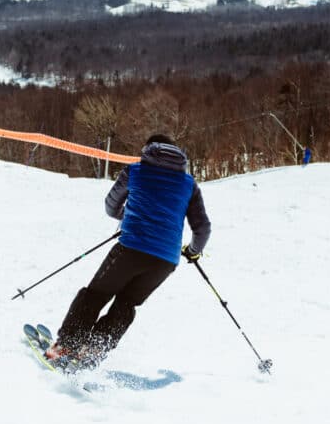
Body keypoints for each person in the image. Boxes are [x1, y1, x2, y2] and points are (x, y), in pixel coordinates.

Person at [46, 134, 211, 369]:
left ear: (148, 150)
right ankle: (92, 352)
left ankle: (67, 346)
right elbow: (202, 228)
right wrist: (194, 251)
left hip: (131, 248)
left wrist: (129, 217)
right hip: (165, 261)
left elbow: (110, 206)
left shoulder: (135, 171)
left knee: (95, 295)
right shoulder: (188, 184)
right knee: (126, 305)